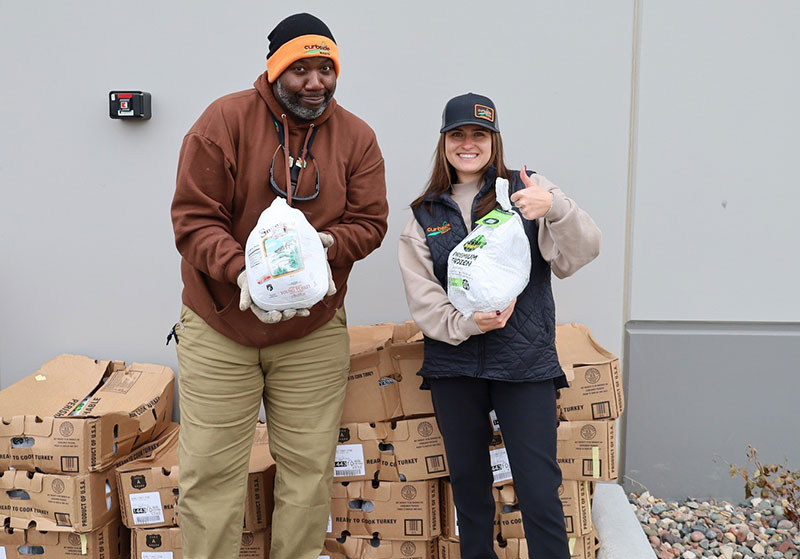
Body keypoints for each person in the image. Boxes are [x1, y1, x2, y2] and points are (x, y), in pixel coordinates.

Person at [170, 13, 388, 559]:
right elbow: (194, 218)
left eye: (325, 69)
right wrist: (242, 271)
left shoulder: (356, 138)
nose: (315, 82)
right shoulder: (223, 121)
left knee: (309, 470)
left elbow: (371, 222)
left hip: (311, 332)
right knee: (211, 473)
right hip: (221, 321)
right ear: (274, 71)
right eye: (300, 70)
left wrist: (324, 249)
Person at [398, 92, 601, 559]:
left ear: (494, 141)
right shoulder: (424, 213)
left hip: (525, 364)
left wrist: (554, 208)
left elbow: (581, 253)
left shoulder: (527, 188)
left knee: (538, 490)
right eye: (458, 135)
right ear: (444, 142)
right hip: (455, 368)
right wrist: (469, 324)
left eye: (479, 135)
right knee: (469, 492)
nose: (468, 144)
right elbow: (424, 299)